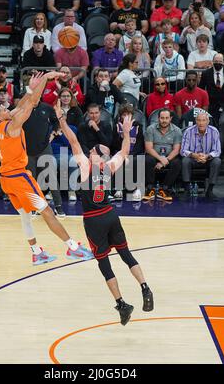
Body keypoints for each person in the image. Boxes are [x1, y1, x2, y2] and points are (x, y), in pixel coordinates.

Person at [56, 101, 154, 326]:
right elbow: (125, 149)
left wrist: (61, 119)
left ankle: (121, 304)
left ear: (95, 156)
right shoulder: (109, 167)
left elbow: (72, 140)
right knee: (126, 254)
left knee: (104, 264)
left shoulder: (85, 166)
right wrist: (128, 132)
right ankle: (145, 287)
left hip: (93, 220)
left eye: (92, 150)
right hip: (111, 215)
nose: (89, 150)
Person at [0, 71, 92, 265]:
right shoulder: (12, 126)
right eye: (3, 107)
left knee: (25, 217)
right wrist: (45, 78)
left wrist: (28, 88)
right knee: (47, 212)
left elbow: (20, 105)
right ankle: (73, 248)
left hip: (6, 180)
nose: (6, 106)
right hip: (19, 177)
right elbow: (31, 103)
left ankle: (36, 252)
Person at [199, 53, 224, 150]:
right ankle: (210, 148)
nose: (218, 63)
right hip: (212, 105)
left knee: (223, 122)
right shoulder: (206, 73)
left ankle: (219, 150)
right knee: (212, 125)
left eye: (220, 61)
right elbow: (201, 89)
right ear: (212, 62)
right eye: (216, 61)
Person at [142, 108, 182, 202]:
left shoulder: (177, 131)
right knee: (148, 160)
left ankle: (165, 189)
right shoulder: (150, 129)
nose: (164, 120)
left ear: (170, 118)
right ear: (158, 118)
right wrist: (160, 159)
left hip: (169, 157)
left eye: (166, 118)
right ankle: (150, 188)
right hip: (154, 155)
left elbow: (176, 150)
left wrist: (166, 160)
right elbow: (148, 148)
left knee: (177, 163)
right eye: (162, 118)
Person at [180, 112, 221, 201]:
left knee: (217, 161)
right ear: (196, 121)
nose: (201, 123)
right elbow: (183, 150)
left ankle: (209, 191)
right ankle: (187, 190)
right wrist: (194, 155)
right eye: (199, 120)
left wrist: (206, 156)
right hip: (193, 159)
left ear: (208, 121)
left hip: (208, 159)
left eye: (203, 120)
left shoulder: (214, 131)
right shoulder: (188, 131)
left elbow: (217, 151)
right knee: (185, 161)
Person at [111, 103, 145, 202]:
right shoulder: (117, 126)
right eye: (124, 115)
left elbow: (140, 144)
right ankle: (118, 189)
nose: (126, 117)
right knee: (119, 161)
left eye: (128, 115)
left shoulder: (138, 126)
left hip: (134, 153)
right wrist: (121, 137)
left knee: (136, 160)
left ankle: (137, 189)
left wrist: (130, 155)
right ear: (120, 116)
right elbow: (113, 144)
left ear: (132, 115)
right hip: (120, 153)